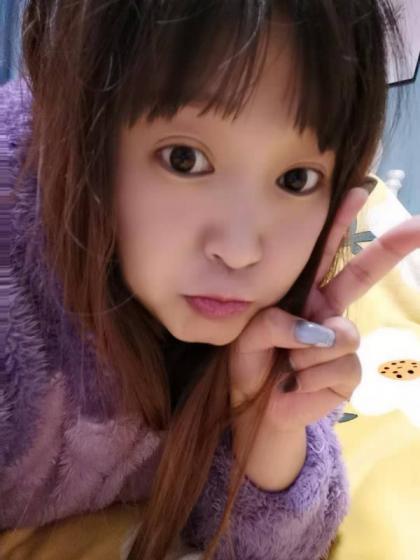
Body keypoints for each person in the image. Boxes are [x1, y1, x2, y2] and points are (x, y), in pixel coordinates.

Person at [1, 1, 416, 559]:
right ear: (84, 132)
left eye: (296, 178)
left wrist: (267, 427)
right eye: (184, 159)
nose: (242, 252)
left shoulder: (274, 320)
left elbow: (265, 544)